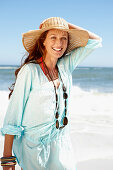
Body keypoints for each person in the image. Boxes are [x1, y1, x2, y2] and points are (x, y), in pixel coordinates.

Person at [0, 17, 102, 170]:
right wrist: (7, 159)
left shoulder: (66, 65)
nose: (59, 43)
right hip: (34, 148)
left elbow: (95, 40)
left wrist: (66, 25)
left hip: (60, 144)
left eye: (64, 38)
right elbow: (14, 114)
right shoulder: (30, 71)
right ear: (43, 41)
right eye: (53, 37)